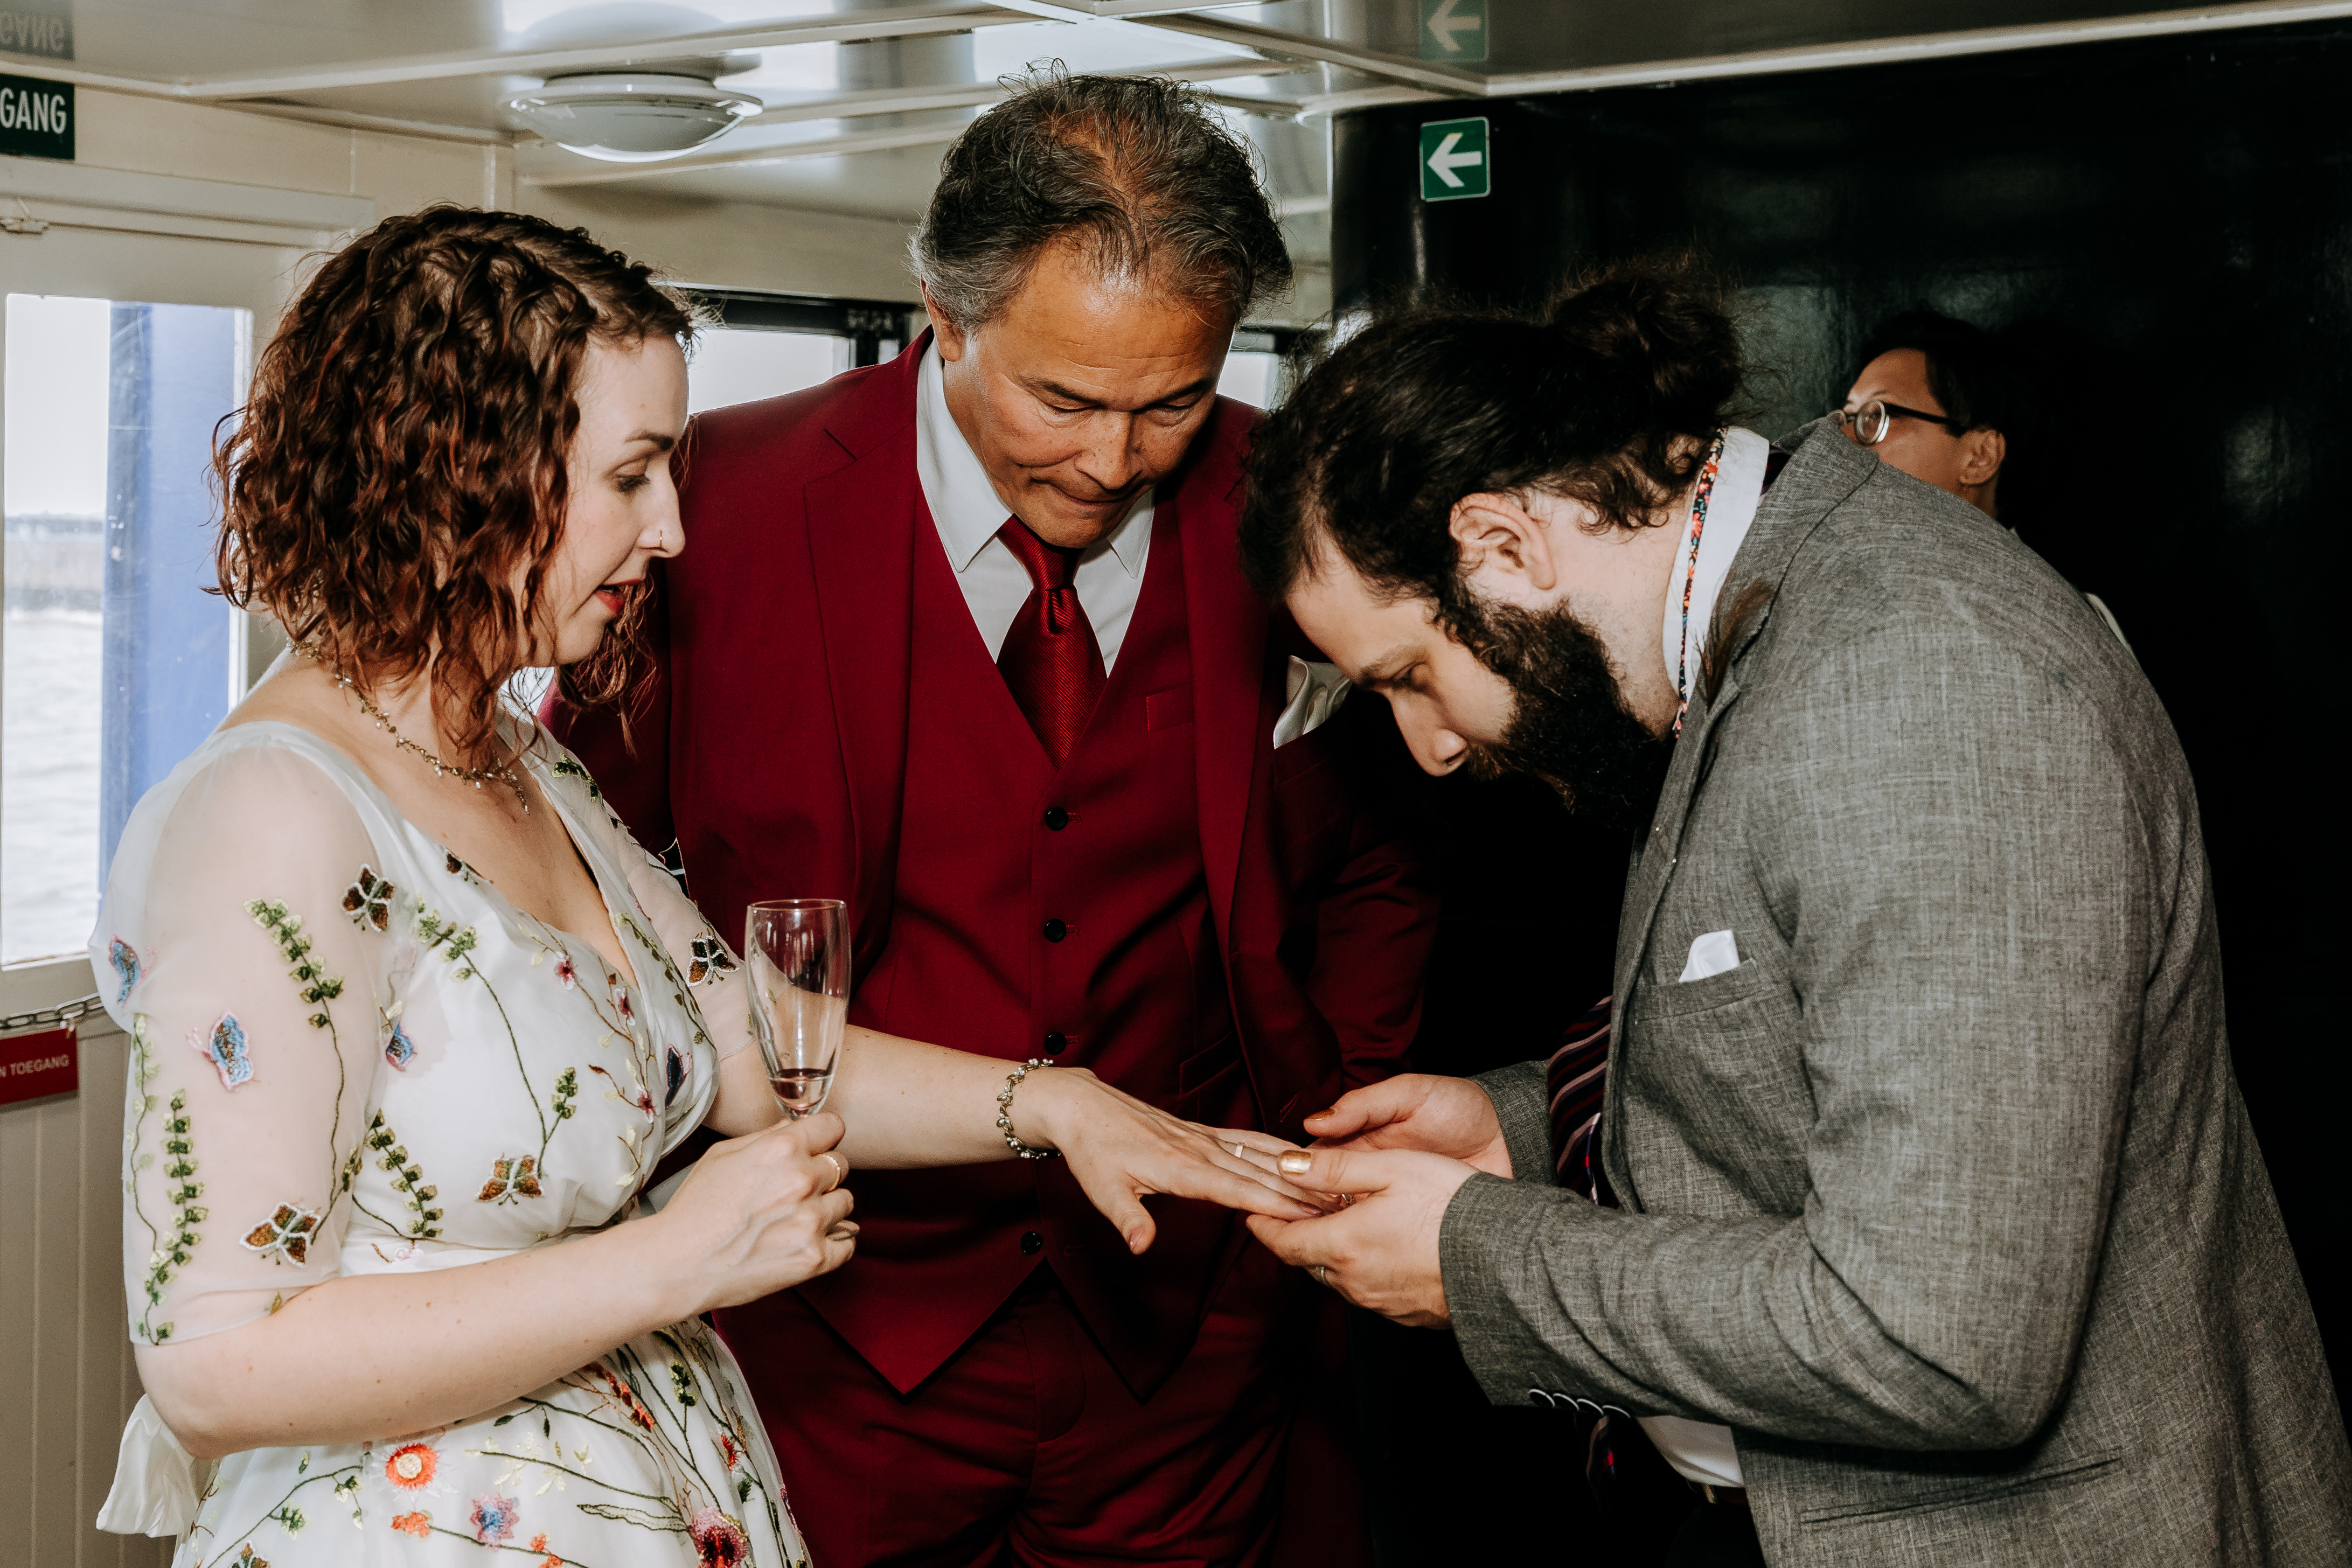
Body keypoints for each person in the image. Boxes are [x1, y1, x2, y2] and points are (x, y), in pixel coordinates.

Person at [92, 205, 1319, 1565]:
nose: (673, 528)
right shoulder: (272, 811)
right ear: (457, 477)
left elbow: (747, 1048)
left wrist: (1051, 1102)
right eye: (630, 478)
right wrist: (676, 1256)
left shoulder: (516, 760)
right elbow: (214, 1365)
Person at [1224, 264, 2352, 1565]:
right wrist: (1532, 1128)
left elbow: (1933, 1336)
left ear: (1501, 542)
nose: (1425, 745)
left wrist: (1478, 1258)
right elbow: (1816, 1024)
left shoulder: (1918, 680)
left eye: (1410, 674)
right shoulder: (1753, 614)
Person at [549, 73, 1434, 1567]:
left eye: (1170, 402)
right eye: (1063, 401)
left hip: (1186, 1335)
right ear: (943, 317)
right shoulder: (712, 504)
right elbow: (575, 869)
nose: (1111, 459)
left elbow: (1377, 844)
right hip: (828, 1322)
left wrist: (1324, 1115)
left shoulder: (1284, 498)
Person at [1841, 308, 2130, 646]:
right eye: (1846, 418)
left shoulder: (2053, 624)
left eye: (1876, 416)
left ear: (1981, 457)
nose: (1839, 440)